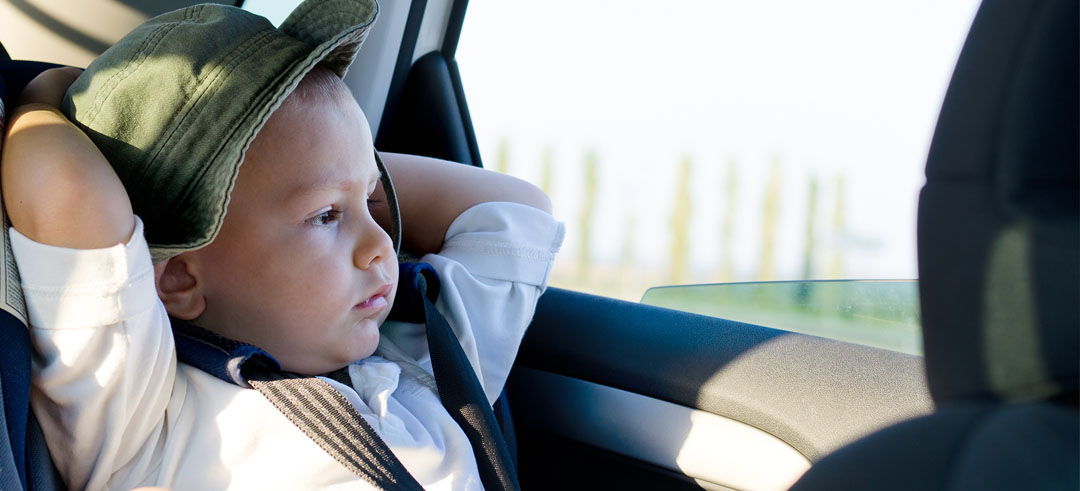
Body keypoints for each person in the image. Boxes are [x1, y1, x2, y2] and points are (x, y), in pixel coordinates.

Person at [0, 0, 563, 489]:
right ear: (177, 278)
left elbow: (513, 212)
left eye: (371, 202)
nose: (381, 247)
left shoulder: (420, 364)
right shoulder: (146, 414)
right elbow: (69, 194)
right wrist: (40, 98)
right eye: (325, 217)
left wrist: (333, 164)